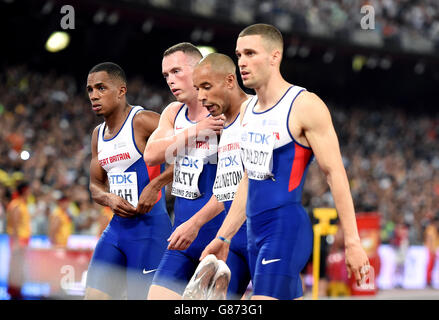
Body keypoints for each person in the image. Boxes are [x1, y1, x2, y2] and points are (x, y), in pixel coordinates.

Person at [201, 23, 370, 300]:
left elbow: (335, 173)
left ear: (274, 56)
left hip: (285, 229)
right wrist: (224, 237)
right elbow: (249, 179)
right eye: (239, 54)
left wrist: (352, 242)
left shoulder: (305, 105)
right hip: (254, 233)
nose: (242, 62)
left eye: (251, 53)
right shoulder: (247, 110)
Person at [144, 43, 230, 299]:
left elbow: (236, 185)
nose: (170, 80)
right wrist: (196, 130)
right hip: (181, 235)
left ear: (198, 70)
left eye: (176, 71)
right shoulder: (173, 112)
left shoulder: (225, 113)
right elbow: (151, 154)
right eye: (166, 75)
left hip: (221, 235)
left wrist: (197, 223)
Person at [85, 62, 173, 300]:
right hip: (116, 230)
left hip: (150, 229)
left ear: (121, 91)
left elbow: (190, 150)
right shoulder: (97, 135)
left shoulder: (143, 121)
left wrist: (155, 185)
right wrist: (108, 197)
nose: (94, 95)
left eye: (101, 88)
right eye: (90, 89)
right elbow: (95, 186)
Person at [178, 53, 252, 299]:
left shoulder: (257, 113)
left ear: (230, 81)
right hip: (234, 238)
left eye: (206, 87)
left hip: (265, 233)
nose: (200, 96)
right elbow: (225, 190)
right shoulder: (222, 126)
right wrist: (196, 223)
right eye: (198, 88)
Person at [6, 181, 32, 299]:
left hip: (22, 239)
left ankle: (17, 289)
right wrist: (16, 242)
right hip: (18, 240)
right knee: (16, 265)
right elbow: (15, 224)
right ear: (25, 190)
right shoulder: (16, 204)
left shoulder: (21, 204)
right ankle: (14, 291)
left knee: (20, 265)